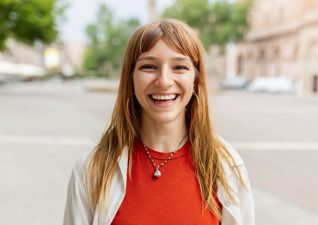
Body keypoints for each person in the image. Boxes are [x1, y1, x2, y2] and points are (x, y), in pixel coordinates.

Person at [63, 19, 255, 225]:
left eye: (179, 67)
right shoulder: (92, 168)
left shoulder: (227, 166)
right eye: (149, 66)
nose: (164, 81)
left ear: (196, 79)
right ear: (130, 78)